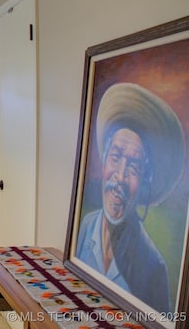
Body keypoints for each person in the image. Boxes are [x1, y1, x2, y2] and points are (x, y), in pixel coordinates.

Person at [76, 82, 186, 313]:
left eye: (135, 166)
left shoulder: (153, 267)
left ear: (145, 181)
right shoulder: (86, 226)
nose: (120, 178)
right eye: (115, 157)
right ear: (105, 160)